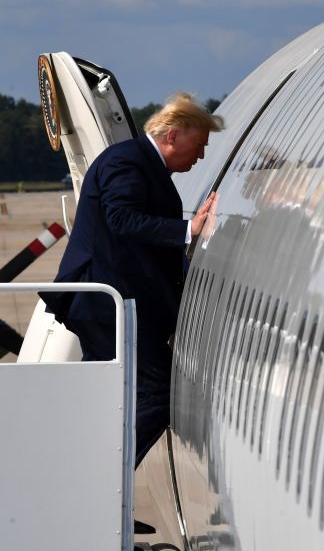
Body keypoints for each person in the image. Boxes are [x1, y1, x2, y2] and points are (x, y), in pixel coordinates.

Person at [43, 92, 223, 467]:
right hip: (106, 302)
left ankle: (88, 483)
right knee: (158, 392)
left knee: (109, 396)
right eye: (200, 145)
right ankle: (101, 486)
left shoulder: (139, 163)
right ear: (173, 136)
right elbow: (121, 221)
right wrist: (188, 228)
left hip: (109, 303)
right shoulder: (127, 162)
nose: (202, 156)